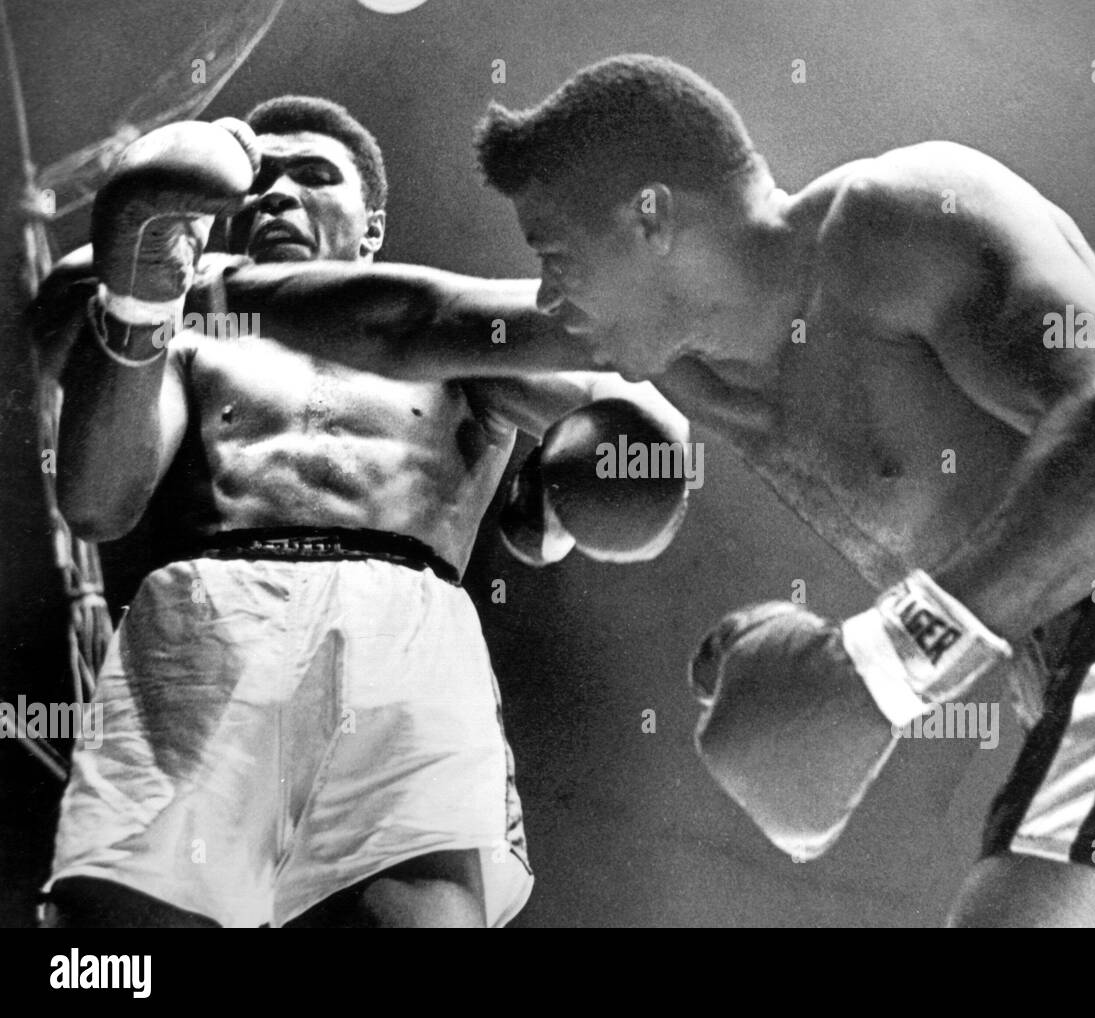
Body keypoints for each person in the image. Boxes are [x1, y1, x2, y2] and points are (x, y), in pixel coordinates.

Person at [257, 54, 1095, 927]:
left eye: (556, 253)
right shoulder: (673, 352)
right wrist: (189, 291)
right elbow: (411, 324)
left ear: (651, 217)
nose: (549, 294)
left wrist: (881, 663)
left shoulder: (897, 222)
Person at [33, 94, 688, 928]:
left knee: (409, 917)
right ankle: (136, 307)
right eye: (259, 180)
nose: (274, 195)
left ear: (371, 225)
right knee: (119, 939)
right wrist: (141, 299)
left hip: (402, 624)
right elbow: (98, 503)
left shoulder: (455, 339)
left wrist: (564, 495)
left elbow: (630, 403)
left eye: (311, 176)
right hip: (208, 616)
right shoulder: (194, 334)